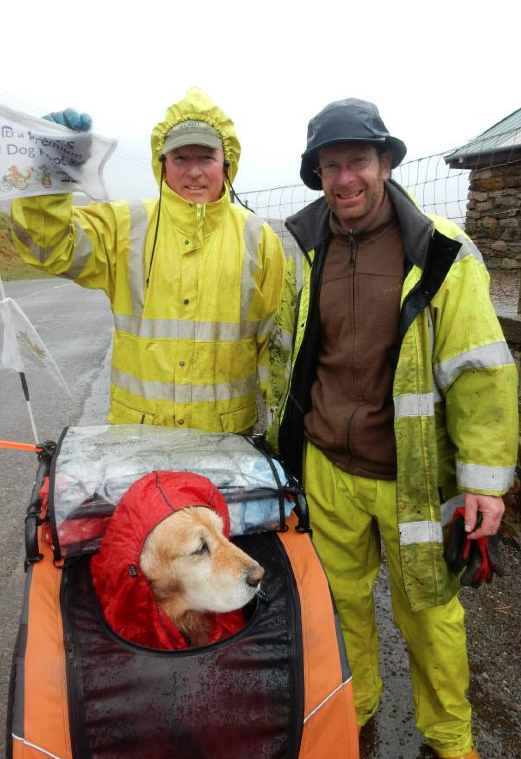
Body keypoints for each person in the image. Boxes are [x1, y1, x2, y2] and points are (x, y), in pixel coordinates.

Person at [266, 97, 518, 759]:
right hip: (325, 467)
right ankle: (350, 714)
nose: (344, 179)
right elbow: (276, 355)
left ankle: (451, 740)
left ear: (384, 162)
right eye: (330, 166)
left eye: (356, 161)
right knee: (338, 608)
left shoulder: (440, 251)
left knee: (430, 616)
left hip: (410, 475)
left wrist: (485, 482)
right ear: (316, 174)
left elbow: (480, 371)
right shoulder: (299, 249)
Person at [11, 88, 285, 433]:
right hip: (137, 441)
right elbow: (48, 248)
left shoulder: (259, 239)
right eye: (181, 159)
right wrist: (49, 167)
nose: (194, 171)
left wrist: (279, 435)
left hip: (225, 444)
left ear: (226, 161)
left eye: (205, 158)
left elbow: (275, 350)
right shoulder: (125, 225)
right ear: (162, 163)